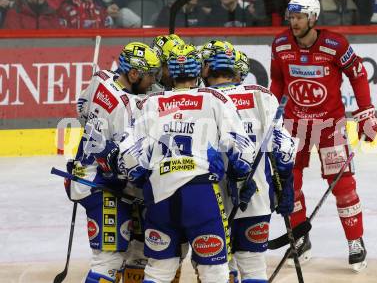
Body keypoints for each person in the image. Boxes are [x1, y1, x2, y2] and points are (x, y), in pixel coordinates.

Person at [104, 43, 257, 283]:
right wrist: (239, 174)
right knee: (214, 271)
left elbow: (129, 156)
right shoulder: (214, 98)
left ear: (170, 73)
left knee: (158, 269)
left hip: (160, 195)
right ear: (199, 73)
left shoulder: (150, 103)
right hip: (201, 194)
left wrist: (142, 177)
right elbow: (242, 150)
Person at [270, 0, 377, 272]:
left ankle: (355, 242)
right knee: (289, 185)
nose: (293, 22)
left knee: (343, 187)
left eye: (299, 17)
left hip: (330, 126)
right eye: (290, 16)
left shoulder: (335, 44)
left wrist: (365, 112)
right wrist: (270, 116)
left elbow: (358, 73)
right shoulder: (280, 44)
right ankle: (300, 238)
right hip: (294, 125)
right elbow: (278, 81)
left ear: (313, 17)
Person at [65, 42, 161, 282]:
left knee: (119, 255)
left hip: (83, 172)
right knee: (108, 260)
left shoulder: (101, 78)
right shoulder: (126, 108)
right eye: (150, 75)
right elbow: (126, 162)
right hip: (102, 186)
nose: (153, 81)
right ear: (134, 73)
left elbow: (81, 110)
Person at [201, 42, 296, 283]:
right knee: (254, 268)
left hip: (212, 200)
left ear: (207, 70)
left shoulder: (202, 98)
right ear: (236, 71)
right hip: (257, 199)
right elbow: (283, 149)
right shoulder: (262, 95)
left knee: (218, 268)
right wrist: (286, 186)